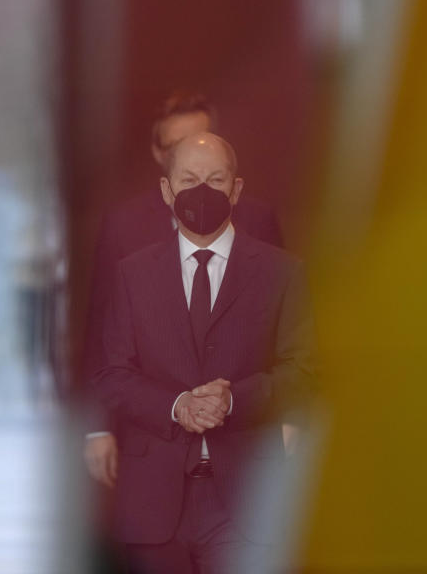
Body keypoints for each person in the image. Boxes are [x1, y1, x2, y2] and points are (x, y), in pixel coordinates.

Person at [92, 132, 316, 573]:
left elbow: (305, 372)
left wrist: (234, 400)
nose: (201, 191)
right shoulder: (132, 274)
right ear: (166, 189)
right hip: (152, 504)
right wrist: (177, 406)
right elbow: (112, 375)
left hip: (245, 501)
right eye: (189, 179)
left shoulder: (283, 273)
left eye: (216, 180)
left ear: (236, 188)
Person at [83, 92, 283, 487]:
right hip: (154, 444)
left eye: (204, 139)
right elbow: (101, 333)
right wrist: (98, 428)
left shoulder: (258, 220)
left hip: (243, 451)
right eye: (178, 145)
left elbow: (284, 328)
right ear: (160, 154)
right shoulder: (124, 226)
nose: (196, 155)